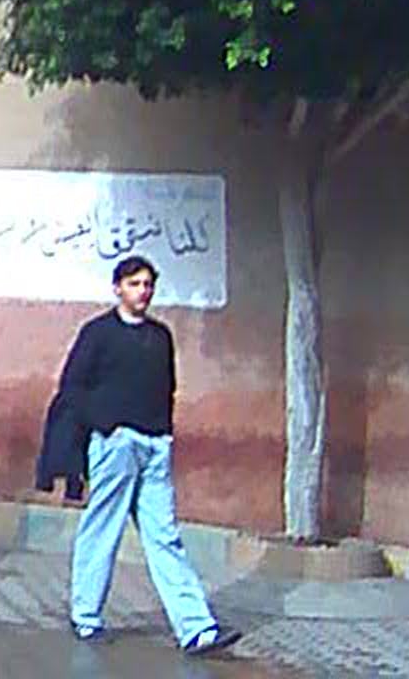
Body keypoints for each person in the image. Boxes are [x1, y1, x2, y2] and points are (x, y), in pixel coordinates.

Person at [46, 255, 242, 656]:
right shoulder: (98, 333)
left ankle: (196, 628)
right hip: (115, 445)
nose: (142, 291)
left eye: (148, 284)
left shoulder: (159, 336)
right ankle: (86, 615)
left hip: (155, 446)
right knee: (104, 527)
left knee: (165, 535)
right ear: (117, 288)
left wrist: (164, 433)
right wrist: (108, 425)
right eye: (134, 284)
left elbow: (167, 388)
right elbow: (72, 388)